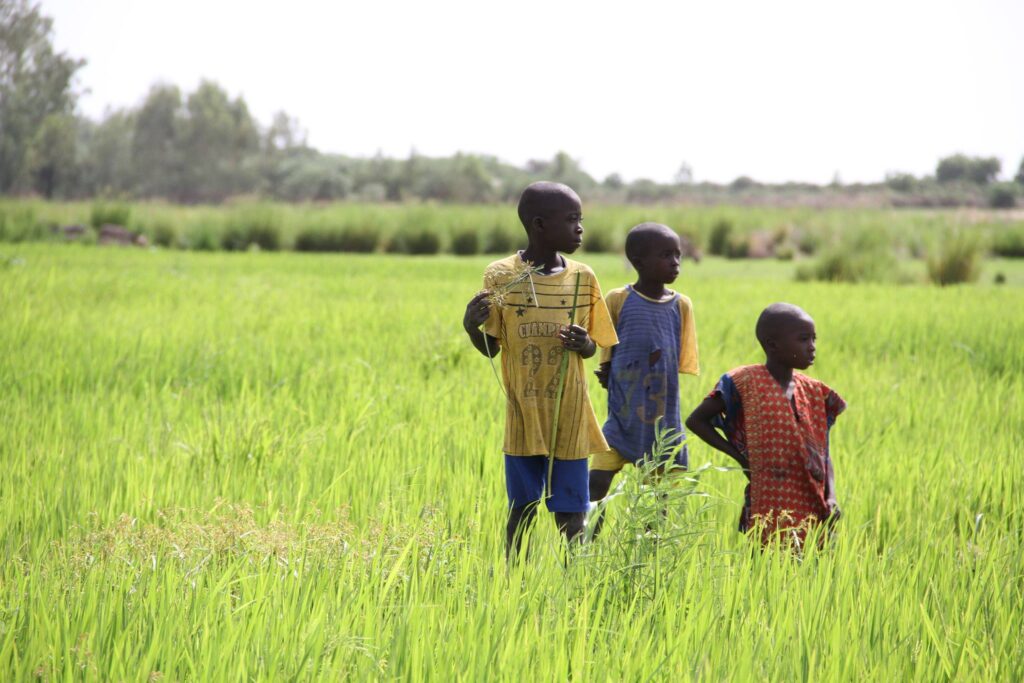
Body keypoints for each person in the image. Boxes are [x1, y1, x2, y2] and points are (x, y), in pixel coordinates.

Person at [463, 181, 618, 559]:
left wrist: (583, 344)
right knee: (523, 507)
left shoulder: (584, 278)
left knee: (572, 514)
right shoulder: (501, 276)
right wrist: (471, 327)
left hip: (571, 415)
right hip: (523, 415)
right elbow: (492, 349)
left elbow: (594, 345)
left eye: (580, 219)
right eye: (571, 220)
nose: (580, 228)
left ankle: (575, 584)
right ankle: (513, 579)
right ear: (539, 225)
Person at [685, 303, 846, 548]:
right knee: (765, 564)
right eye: (803, 339)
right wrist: (742, 459)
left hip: (813, 499)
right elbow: (696, 421)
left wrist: (831, 496)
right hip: (768, 498)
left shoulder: (815, 391)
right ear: (773, 345)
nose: (812, 346)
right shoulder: (744, 382)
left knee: (813, 569)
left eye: (814, 339)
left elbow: (823, 452)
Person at [589, 223, 699, 525]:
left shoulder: (681, 306)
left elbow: (674, 363)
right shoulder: (618, 300)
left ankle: (653, 553)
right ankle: (584, 544)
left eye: (678, 255)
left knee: (660, 500)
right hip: (622, 419)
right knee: (595, 485)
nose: (676, 263)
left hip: (663, 422)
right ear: (638, 261)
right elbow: (607, 350)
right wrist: (607, 371)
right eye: (666, 255)